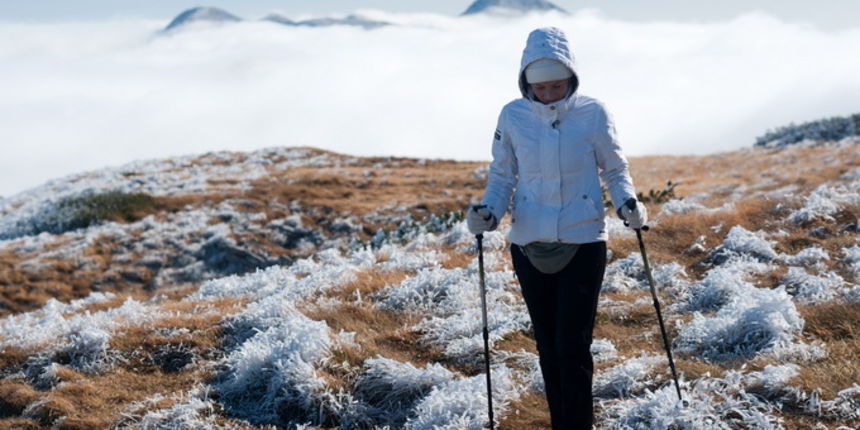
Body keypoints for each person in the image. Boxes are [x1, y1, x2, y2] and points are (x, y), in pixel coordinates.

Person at [467, 27, 647, 430]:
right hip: (529, 246)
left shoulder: (593, 112)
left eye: (557, 85)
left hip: (584, 242)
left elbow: (615, 169)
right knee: (548, 347)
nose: (549, 94)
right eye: (541, 87)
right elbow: (502, 177)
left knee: (573, 347)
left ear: (571, 78)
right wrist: (489, 214)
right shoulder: (512, 116)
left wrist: (628, 203)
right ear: (526, 83)